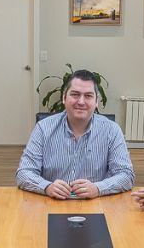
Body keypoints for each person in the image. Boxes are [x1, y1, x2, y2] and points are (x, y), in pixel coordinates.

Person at [17, 69, 134, 198]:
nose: (81, 102)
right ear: (64, 98)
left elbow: (126, 175)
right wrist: (47, 187)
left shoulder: (112, 130)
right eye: (75, 94)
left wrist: (98, 188)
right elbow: (24, 172)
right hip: (52, 202)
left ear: (96, 102)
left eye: (88, 96)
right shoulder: (43, 128)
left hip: (95, 203)